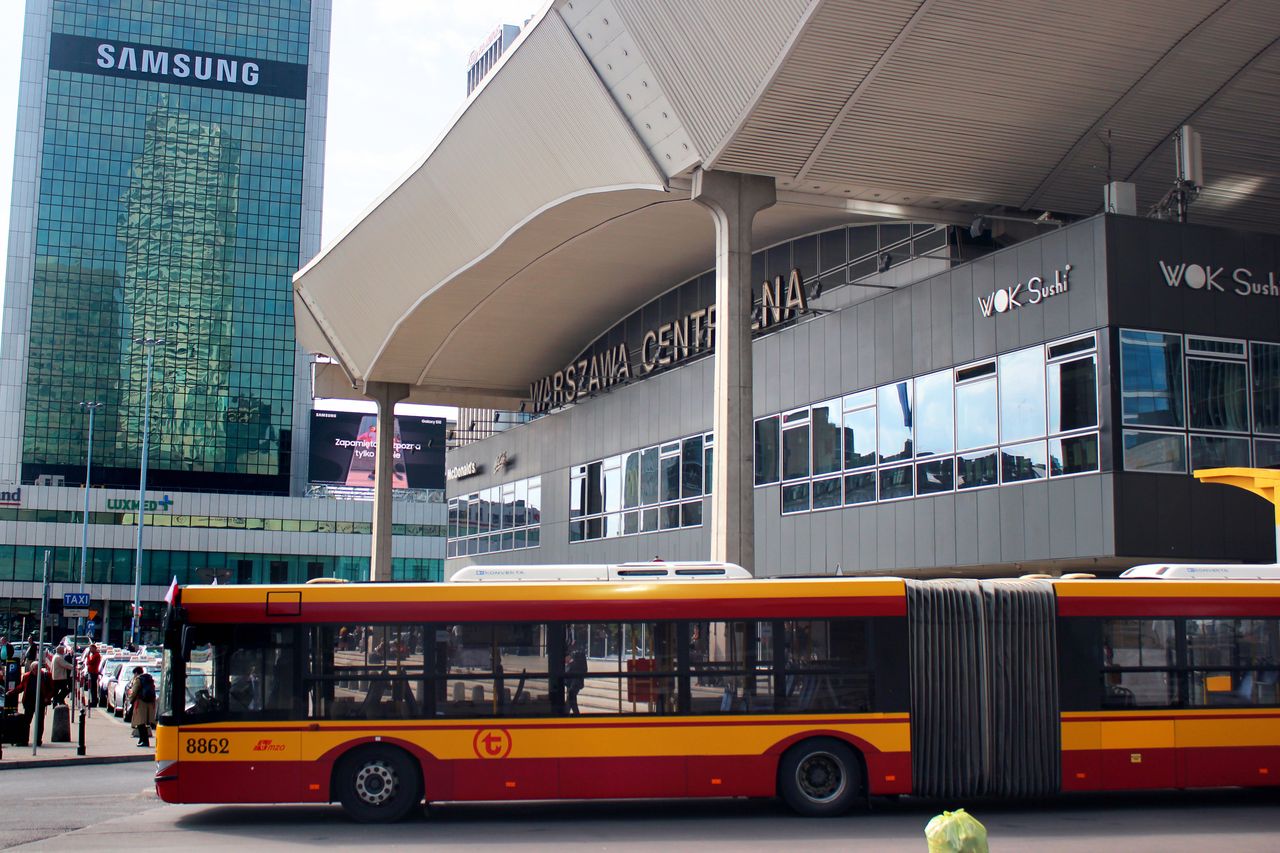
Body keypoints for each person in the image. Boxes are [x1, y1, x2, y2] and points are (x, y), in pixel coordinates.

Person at [19, 660, 52, 746]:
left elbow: (52, 689)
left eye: (38, 668)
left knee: (40, 722)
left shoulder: (45, 676)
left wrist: (47, 697)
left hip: (41, 702)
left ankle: (38, 740)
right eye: (34, 669)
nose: (36, 670)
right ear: (31, 668)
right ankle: (24, 740)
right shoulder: (26, 676)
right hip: (29, 702)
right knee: (26, 722)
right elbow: (21, 687)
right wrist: (11, 693)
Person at [128, 666, 157, 748]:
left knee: (140, 723)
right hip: (149, 703)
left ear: (136, 673)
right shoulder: (149, 679)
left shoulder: (138, 680)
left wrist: (130, 700)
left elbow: (134, 692)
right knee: (144, 722)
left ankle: (144, 741)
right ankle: (142, 740)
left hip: (140, 703)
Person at [564, 643, 587, 715]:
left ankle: (570, 715)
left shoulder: (576, 659)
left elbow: (578, 672)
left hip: (574, 684)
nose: (565, 662)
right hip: (572, 683)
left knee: (570, 700)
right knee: (571, 701)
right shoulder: (574, 659)